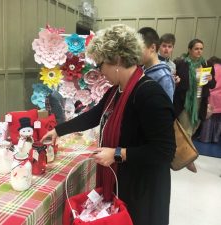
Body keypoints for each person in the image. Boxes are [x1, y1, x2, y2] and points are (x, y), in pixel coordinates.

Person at [42, 24, 176, 225]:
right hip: (124, 180)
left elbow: (165, 151)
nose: (99, 71)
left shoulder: (150, 93)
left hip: (143, 188)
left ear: (117, 60)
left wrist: (117, 153)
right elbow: (94, 116)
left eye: (100, 64)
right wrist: (57, 131)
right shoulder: (116, 90)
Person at [174, 39, 216, 171]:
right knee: (186, 130)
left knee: (193, 128)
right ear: (190, 49)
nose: (199, 51)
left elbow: (212, 84)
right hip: (185, 102)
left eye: (201, 49)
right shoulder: (181, 63)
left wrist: (210, 79)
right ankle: (188, 159)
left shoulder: (206, 64)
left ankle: (180, 154)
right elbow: (177, 82)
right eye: (196, 48)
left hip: (199, 101)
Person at [138, 27, 175, 101]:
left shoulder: (164, 77)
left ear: (152, 47)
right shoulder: (143, 69)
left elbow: (166, 110)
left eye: (139, 48)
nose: (137, 52)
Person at [199, 56, 221, 143]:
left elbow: (204, 82)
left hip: (210, 96)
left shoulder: (209, 68)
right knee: (219, 120)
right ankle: (215, 138)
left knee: (208, 119)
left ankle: (205, 138)